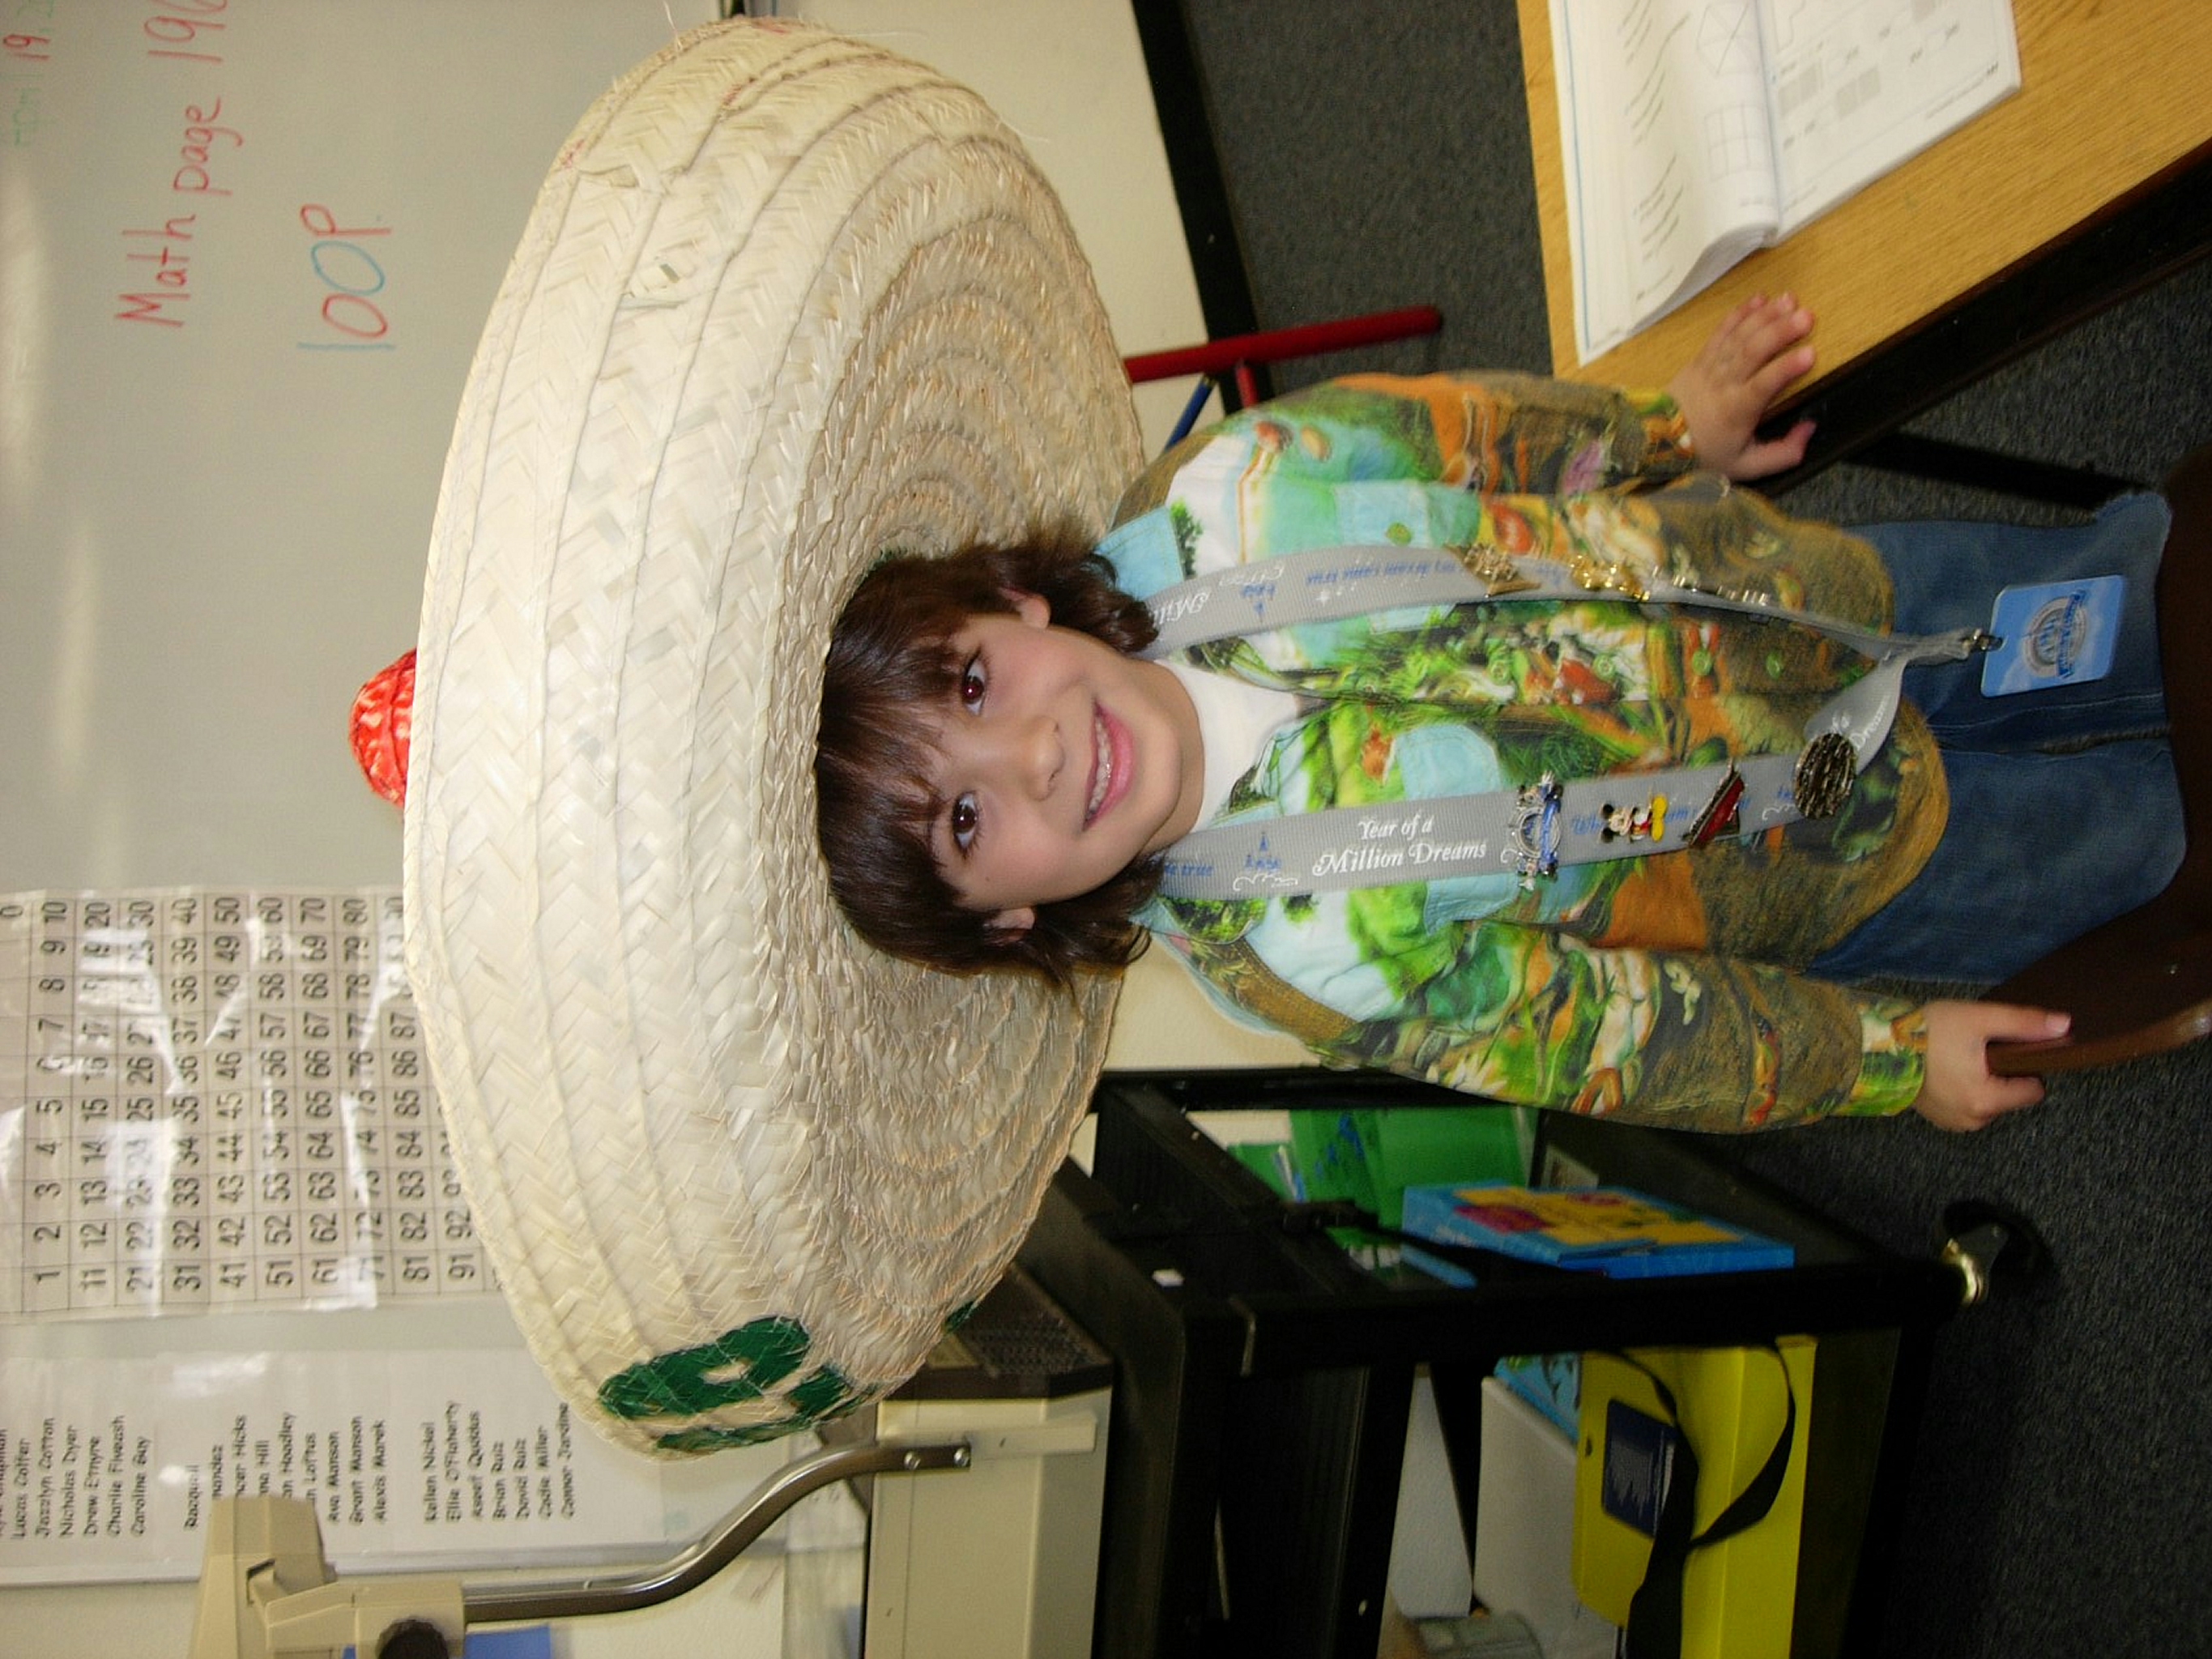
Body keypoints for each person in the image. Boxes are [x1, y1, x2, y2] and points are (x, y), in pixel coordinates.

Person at [815, 296, 2184, 1136]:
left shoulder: (1230, 491)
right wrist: (1886, 1059)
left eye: (974, 685)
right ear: (1011, 919)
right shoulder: (1301, 958)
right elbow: (1612, 1040)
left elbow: (1466, 432)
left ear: (1010, 601)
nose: (1038, 754)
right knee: (2146, 854)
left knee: (2128, 604)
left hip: (1807, 599)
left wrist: (1662, 430)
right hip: (1837, 864)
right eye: (967, 820)